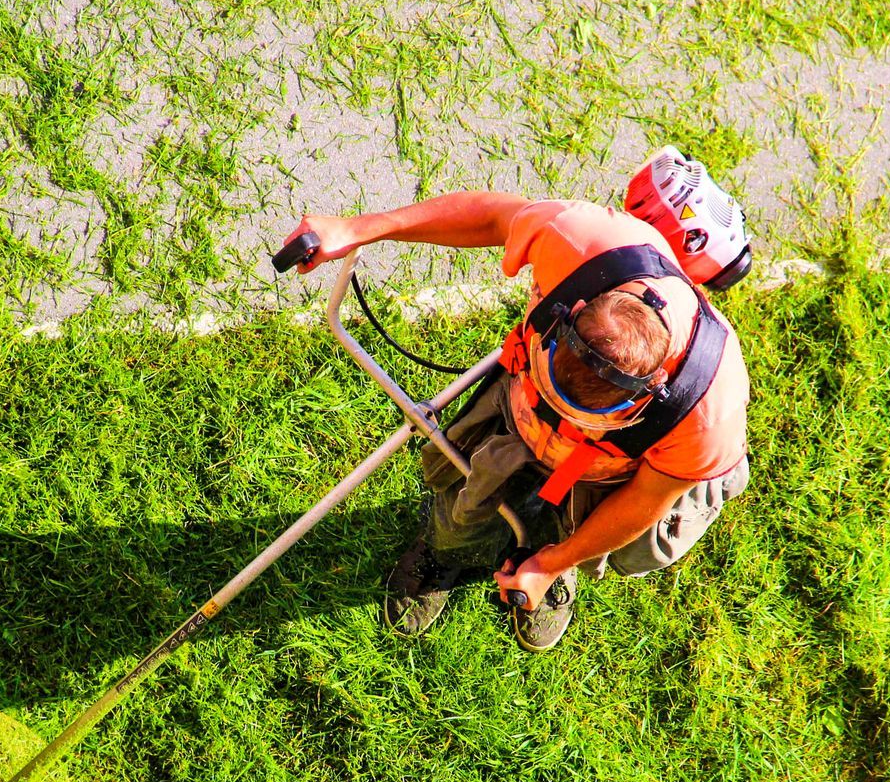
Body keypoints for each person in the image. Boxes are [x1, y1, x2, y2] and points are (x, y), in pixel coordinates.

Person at [282, 155, 751, 652]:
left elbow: (643, 501)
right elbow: (491, 216)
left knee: (602, 538)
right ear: (571, 313)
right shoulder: (586, 243)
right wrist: (359, 229)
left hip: (613, 470)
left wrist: (552, 564)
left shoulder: (707, 408)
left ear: (651, 391)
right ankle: (445, 552)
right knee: (463, 495)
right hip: (518, 407)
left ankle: (550, 564)